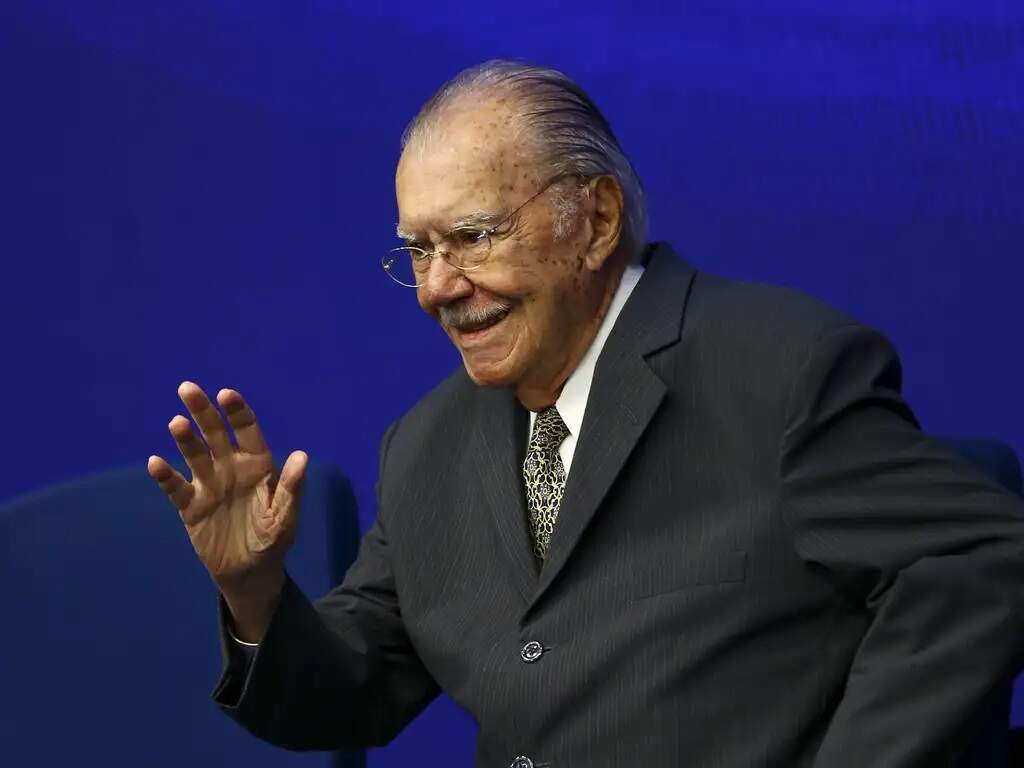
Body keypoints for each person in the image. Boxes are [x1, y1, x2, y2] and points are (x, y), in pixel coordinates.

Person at [147, 61, 1024, 767]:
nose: (437, 288)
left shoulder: (780, 369)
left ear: (596, 219)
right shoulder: (424, 445)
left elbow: (976, 560)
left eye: (473, 236)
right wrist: (253, 591)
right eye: (417, 250)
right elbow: (353, 688)